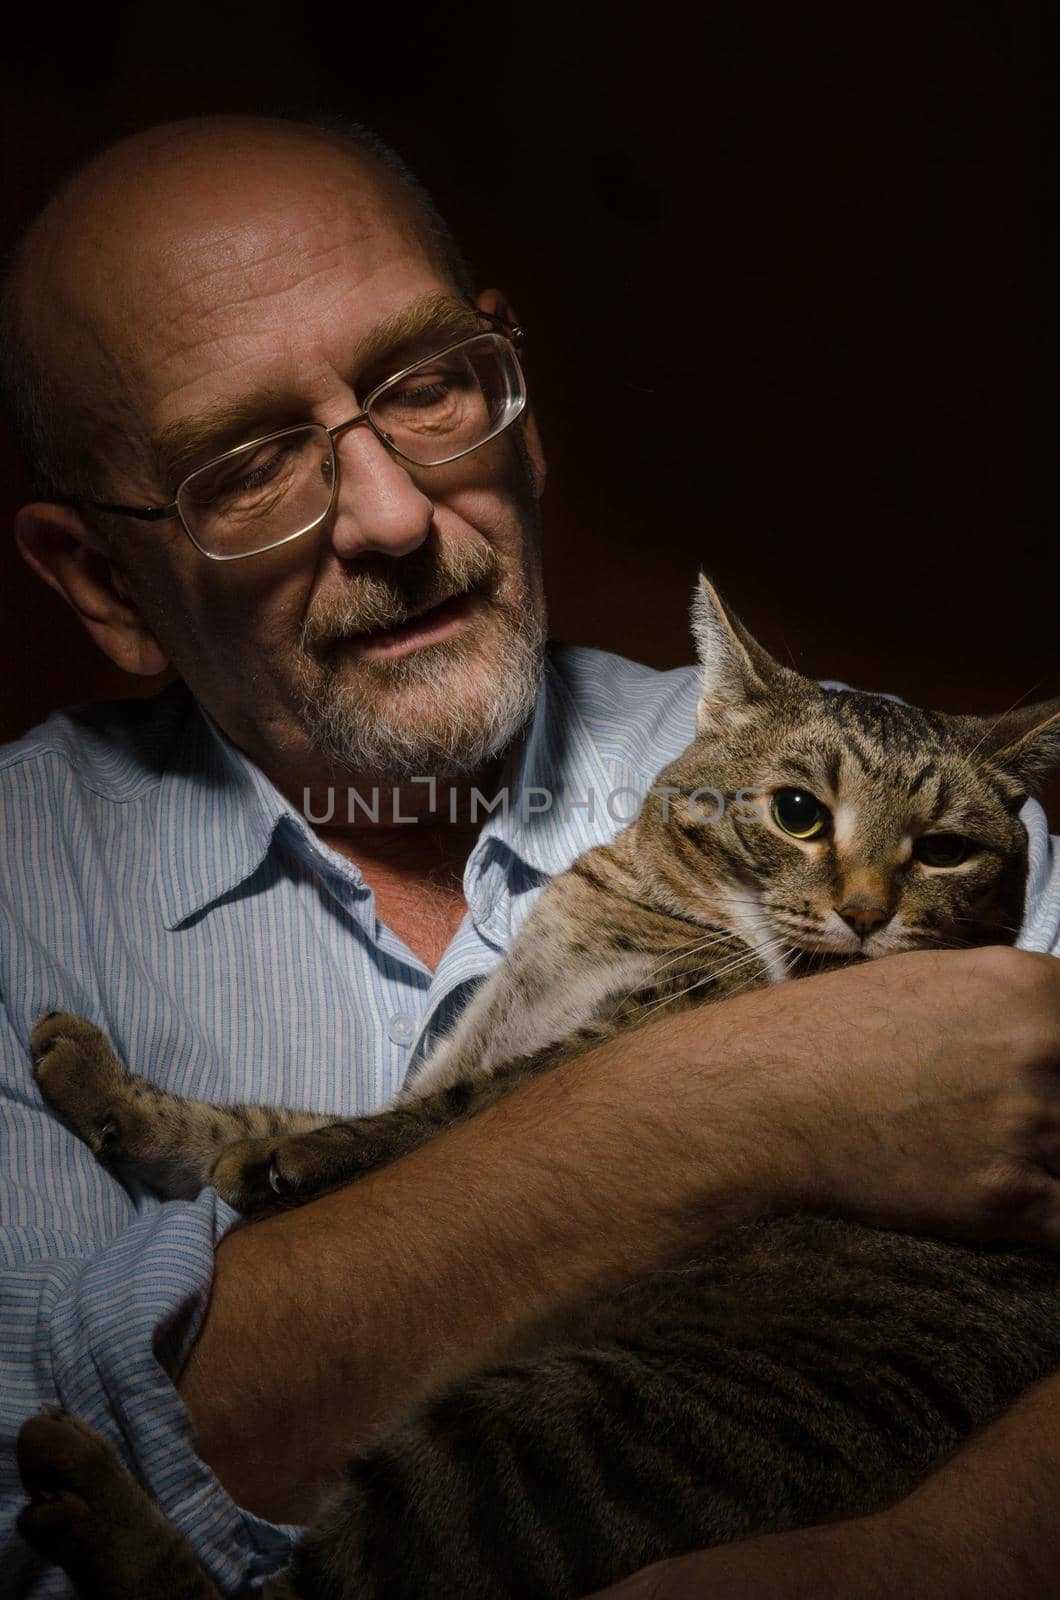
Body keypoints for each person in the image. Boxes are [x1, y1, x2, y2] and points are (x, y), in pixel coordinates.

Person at [1, 113, 1059, 1600]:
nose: (388, 516)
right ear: (104, 584)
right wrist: (741, 1108)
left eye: (428, 390)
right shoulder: (14, 894)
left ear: (525, 409)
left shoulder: (899, 802)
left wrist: (926, 1559)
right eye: (243, 468)